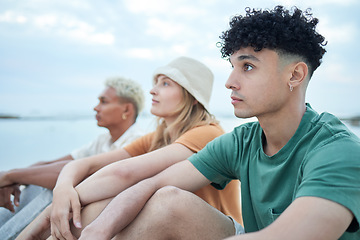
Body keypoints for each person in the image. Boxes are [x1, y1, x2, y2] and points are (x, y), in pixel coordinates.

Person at [32, 5, 360, 240]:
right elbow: (151, 185)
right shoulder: (243, 139)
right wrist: (98, 231)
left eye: (247, 67)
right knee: (156, 202)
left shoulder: (338, 151)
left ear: (295, 74)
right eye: (232, 66)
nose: (230, 81)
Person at [17, 56, 242, 240]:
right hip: (167, 227)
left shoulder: (207, 133)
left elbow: (124, 173)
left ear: (192, 98)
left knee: (127, 201)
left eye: (165, 84)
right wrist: (62, 188)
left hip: (212, 230)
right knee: (104, 204)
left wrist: (47, 216)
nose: (153, 90)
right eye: (155, 82)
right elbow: (86, 164)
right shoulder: (157, 137)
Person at [0, 76, 145, 240]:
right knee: (38, 181)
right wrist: (13, 178)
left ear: (126, 110)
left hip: (102, 215)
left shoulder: (137, 142)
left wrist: (11, 176)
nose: (96, 108)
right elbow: (51, 165)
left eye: (104, 102)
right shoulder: (103, 141)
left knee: (55, 190)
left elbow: (78, 178)